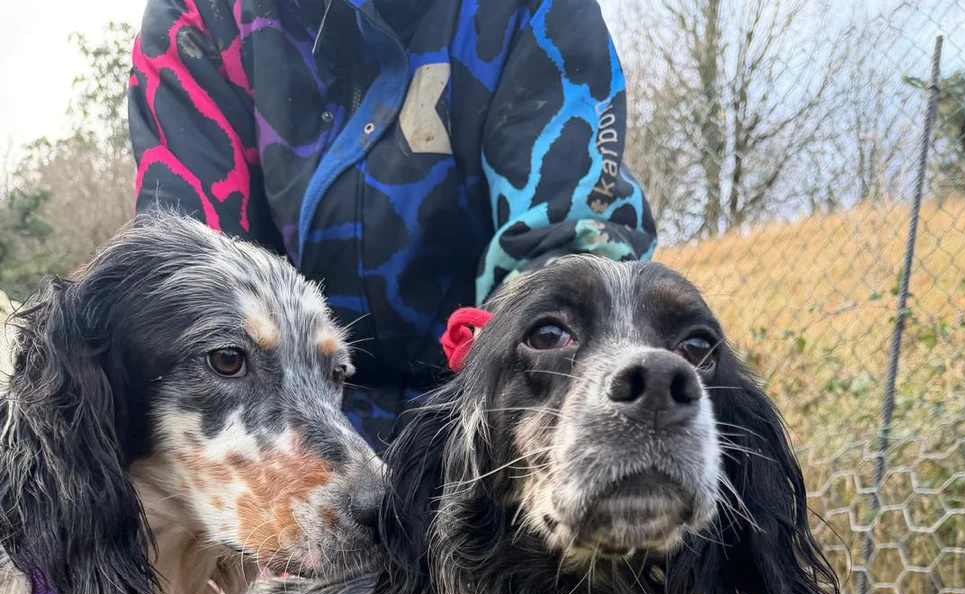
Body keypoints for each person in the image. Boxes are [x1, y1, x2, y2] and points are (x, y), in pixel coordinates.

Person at [130, 0, 656, 449]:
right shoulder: (201, 17)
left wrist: (483, 432)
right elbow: (186, 288)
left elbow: (574, 250)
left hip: (479, 408)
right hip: (282, 425)